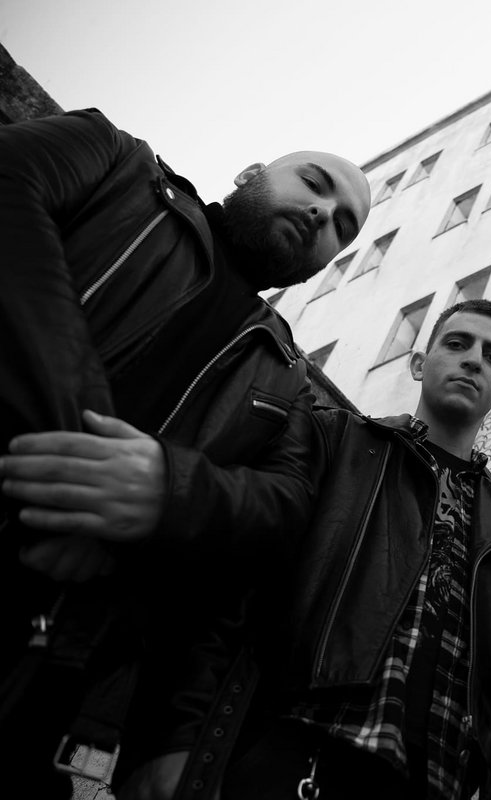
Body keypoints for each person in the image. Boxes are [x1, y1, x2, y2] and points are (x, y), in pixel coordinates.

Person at [0, 108, 370, 798]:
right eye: (315, 184)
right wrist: (87, 460)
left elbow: (283, 510)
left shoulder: (288, 381)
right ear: (251, 174)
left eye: (343, 226)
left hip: (41, 658)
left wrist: (168, 491)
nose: (323, 214)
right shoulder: (115, 162)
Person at [212, 299, 491, 800]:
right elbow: (238, 585)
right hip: (298, 755)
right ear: (418, 364)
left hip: (432, 780)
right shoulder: (338, 441)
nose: (474, 360)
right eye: (457, 344)